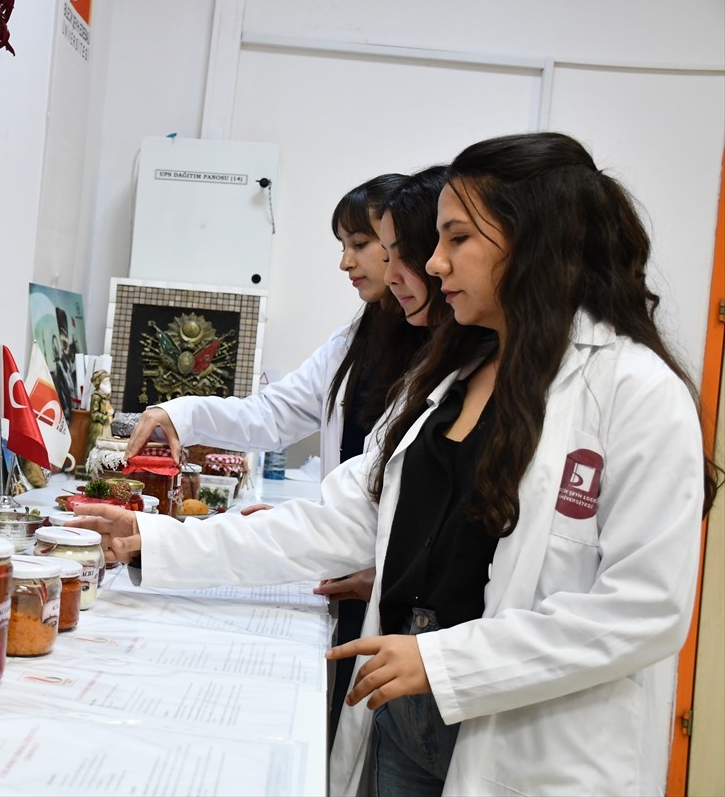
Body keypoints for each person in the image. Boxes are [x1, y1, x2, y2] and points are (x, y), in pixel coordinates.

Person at [73, 132, 718, 795]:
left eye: (456, 239)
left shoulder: (636, 393)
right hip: (402, 715)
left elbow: (646, 609)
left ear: (534, 240)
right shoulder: (448, 378)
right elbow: (334, 523)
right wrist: (154, 540)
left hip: (529, 745)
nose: (434, 265)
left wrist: (445, 662)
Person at [124, 172, 435, 748]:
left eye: (364, 245)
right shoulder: (355, 340)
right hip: (345, 566)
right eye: (345, 246)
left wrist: (385, 570)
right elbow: (271, 415)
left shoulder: (442, 355)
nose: (348, 263)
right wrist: (182, 413)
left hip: (387, 583)